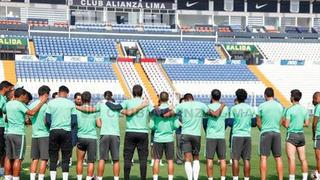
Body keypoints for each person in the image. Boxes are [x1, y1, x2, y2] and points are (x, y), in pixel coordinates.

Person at [164, 93, 225, 180]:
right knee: (196, 158)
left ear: (185, 99)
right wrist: (222, 106)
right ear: (193, 98)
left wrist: (159, 111)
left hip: (185, 134)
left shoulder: (182, 105)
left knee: (187, 159)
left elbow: (168, 114)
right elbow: (215, 114)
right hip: (196, 135)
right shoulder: (201, 105)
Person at [4, 88, 47, 180]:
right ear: (22, 95)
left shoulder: (8, 104)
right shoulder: (19, 104)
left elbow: (4, 112)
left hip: (9, 133)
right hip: (18, 134)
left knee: (8, 157)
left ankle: (8, 178)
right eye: (25, 97)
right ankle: (15, 178)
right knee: (18, 159)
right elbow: (31, 113)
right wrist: (41, 102)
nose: (25, 99)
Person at [45, 85, 77, 180]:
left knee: (53, 156)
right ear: (67, 93)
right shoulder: (71, 104)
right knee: (66, 157)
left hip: (54, 131)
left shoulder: (51, 103)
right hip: (66, 131)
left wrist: (53, 126)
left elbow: (47, 119)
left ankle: (53, 178)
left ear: (58, 93)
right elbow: (74, 121)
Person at [121, 85, 152, 180]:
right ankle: (143, 178)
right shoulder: (146, 103)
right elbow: (154, 112)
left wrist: (125, 111)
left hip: (130, 132)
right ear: (141, 93)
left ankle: (126, 178)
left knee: (127, 158)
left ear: (132, 92)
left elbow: (119, 109)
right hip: (143, 133)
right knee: (143, 159)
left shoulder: (127, 102)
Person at [150, 92, 180, 180]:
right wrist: (170, 127)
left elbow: (151, 126)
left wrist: (157, 127)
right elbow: (176, 126)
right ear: (168, 98)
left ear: (159, 98)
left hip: (158, 138)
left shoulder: (156, 111)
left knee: (156, 160)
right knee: (170, 160)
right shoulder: (172, 110)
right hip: (169, 138)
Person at [256, 87, 284, 180]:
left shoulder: (262, 106)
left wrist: (262, 129)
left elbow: (258, 122)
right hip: (276, 132)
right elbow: (281, 120)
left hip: (265, 132)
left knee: (263, 157)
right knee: (278, 157)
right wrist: (276, 127)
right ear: (273, 95)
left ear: (265, 95)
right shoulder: (279, 106)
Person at [282, 89, 309, 180]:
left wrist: (283, 122)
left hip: (292, 135)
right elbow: (307, 124)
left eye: (290, 96)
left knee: (292, 159)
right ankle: (304, 178)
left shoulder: (289, 109)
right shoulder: (305, 110)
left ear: (292, 98)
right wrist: (298, 124)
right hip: (301, 135)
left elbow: (286, 125)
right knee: (303, 159)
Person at [230, 89, 255, 180]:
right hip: (247, 135)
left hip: (237, 135)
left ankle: (235, 178)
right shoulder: (250, 108)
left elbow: (230, 122)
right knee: (246, 159)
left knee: (235, 159)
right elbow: (254, 123)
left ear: (237, 97)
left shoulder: (234, 108)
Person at [206, 89, 229, 180]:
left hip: (211, 135)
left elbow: (204, 122)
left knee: (209, 159)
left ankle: (210, 178)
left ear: (211, 96)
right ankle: (223, 178)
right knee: (222, 159)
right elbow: (226, 121)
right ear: (220, 97)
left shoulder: (208, 106)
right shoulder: (226, 108)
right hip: (221, 136)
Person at [75, 91, 99, 180]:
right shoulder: (94, 110)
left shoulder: (77, 110)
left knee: (80, 161)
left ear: (82, 99)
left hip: (81, 137)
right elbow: (99, 124)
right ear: (90, 99)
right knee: (91, 162)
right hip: (92, 138)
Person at [30, 86, 51, 180]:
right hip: (44, 135)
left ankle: (32, 178)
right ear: (45, 95)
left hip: (34, 134)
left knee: (35, 159)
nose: (49, 97)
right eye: (48, 95)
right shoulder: (46, 106)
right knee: (44, 159)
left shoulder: (32, 104)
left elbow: (28, 118)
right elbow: (47, 121)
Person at [0, 81, 14, 175]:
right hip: (0, 126)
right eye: (10, 88)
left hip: (2, 126)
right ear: (5, 88)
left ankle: (1, 169)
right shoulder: (1, 97)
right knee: (2, 150)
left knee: (3, 150)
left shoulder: (4, 98)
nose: (10, 90)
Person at [312, 91, 320, 179]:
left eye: (314, 98)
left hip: (319, 134)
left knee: (318, 157)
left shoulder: (318, 107)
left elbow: (314, 123)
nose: (313, 100)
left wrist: (314, 135)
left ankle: (318, 176)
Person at [175, 98, 184, 165]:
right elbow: (176, 119)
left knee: (186, 145)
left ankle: (185, 158)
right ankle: (179, 159)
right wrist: (182, 125)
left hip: (187, 131)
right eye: (182, 102)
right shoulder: (178, 111)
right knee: (179, 145)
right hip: (179, 130)